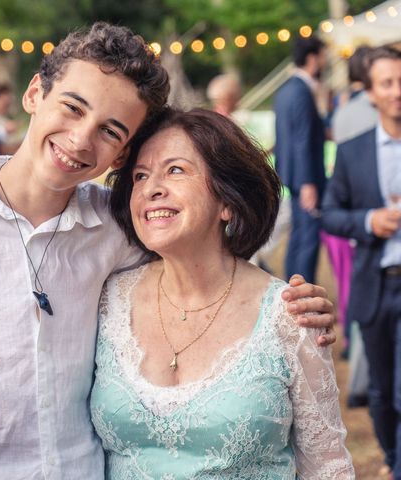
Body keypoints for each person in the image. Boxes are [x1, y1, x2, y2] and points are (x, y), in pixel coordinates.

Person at [0, 23, 337, 479]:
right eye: (72, 107)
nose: (80, 139)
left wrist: (287, 308)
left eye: (110, 130)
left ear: (122, 154)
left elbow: (202, 259)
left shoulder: (121, 225)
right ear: (34, 95)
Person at [93, 106, 353, 478]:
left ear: (228, 201)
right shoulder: (108, 299)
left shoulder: (292, 314)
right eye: (140, 175)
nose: (152, 188)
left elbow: (328, 466)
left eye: (176, 170)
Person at [322, 46, 401, 478]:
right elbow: (331, 214)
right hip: (375, 284)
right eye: (388, 83)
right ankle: (391, 457)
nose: (397, 91)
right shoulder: (353, 153)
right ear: (370, 93)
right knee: (382, 393)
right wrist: (370, 220)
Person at [274, 35, 328, 282]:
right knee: (308, 237)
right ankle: (303, 293)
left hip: (291, 173)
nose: (325, 61)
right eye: (323, 56)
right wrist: (308, 183)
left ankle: (291, 286)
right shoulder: (302, 92)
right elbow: (303, 139)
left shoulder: (285, 89)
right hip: (306, 177)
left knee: (298, 235)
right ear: (312, 58)